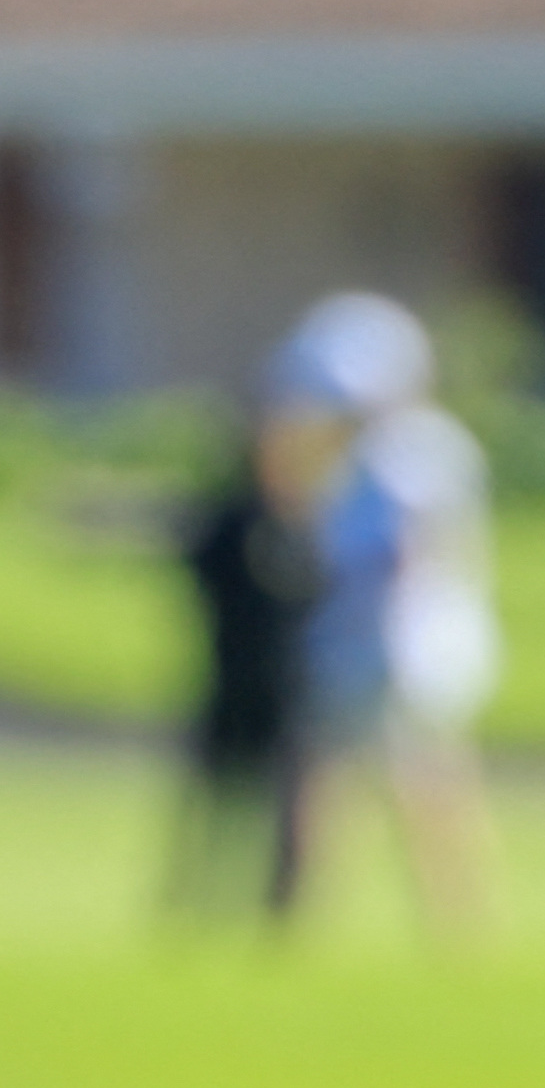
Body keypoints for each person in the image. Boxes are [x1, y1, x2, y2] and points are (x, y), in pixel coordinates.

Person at [289, 292, 505, 933]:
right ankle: (299, 918)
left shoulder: (413, 455)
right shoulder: (367, 453)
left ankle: (457, 921)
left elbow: (406, 563)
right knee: (330, 785)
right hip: (362, 642)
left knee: (423, 787)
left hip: (403, 646)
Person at [169, 363, 332, 923]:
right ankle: (195, 902)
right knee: (215, 799)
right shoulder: (227, 519)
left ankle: (281, 911)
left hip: (285, 683)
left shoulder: (298, 521)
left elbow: (314, 588)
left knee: (290, 805)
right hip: (232, 675)